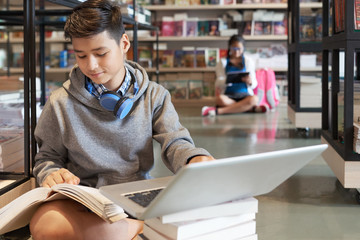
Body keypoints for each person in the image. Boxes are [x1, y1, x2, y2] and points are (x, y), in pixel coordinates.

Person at [29, 1, 214, 239]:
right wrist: (51, 173)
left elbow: (175, 141)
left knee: (210, 208)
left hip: (136, 199)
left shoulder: (154, 95)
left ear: (124, 44)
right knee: (46, 225)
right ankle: (137, 230)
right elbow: (47, 158)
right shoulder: (59, 102)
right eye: (81, 55)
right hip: (84, 201)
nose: (91, 65)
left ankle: (122, 230)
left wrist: (194, 158)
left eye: (101, 53)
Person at [202, 35, 268, 117]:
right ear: (230, 48)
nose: (236, 52)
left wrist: (250, 81)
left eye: (239, 49)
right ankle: (249, 108)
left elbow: (254, 84)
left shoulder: (248, 61)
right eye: (234, 49)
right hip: (228, 95)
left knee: (254, 99)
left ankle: (219, 111)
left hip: (245, 95)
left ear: (243, 48)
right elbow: (217, 83)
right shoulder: (222, 62)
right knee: (220, 99)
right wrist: (228, 79)